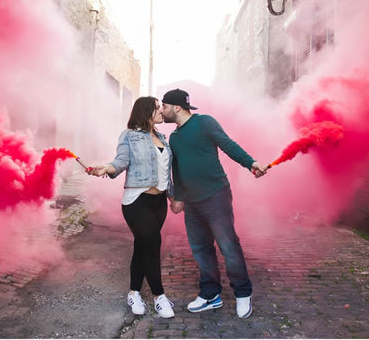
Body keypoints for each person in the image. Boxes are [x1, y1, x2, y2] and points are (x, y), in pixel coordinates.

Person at [161, 88, 267, 319]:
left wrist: (251, 163)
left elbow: (228, 145)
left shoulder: (205, 123)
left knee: (228, 246)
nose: (162, 110)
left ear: (176, 107)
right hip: (191, 201)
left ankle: (243, 293)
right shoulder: (174, 137)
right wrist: (178, 197)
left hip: (215, 195)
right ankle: (211, 295)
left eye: (164, 106)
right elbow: (176, 169)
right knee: (201, 250)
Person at [86, 96, 175, 318]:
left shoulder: (163, 138)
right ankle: (159, 296)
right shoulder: (129, 136)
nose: (161, 112)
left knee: (142, 247)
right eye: (157, 108)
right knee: (153, 245)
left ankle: (134, 293)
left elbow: (166, 172)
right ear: (146, 112)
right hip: (137, 201)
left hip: (159, 202)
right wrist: (106, 168)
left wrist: (173, 197)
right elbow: (121, 161)